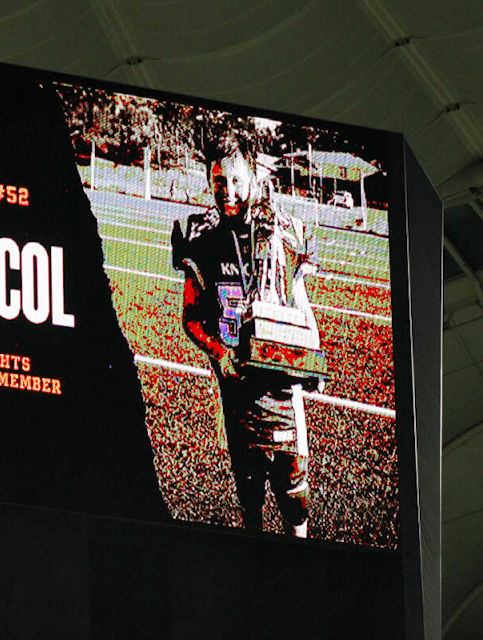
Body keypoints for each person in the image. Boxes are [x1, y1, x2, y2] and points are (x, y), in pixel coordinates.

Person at [171, 129, 320, 537]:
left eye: (236, 179)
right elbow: (190, 317)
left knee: (295, 501)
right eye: (219, 180)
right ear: (208, 180)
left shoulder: (285, 231)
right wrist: (220, 353)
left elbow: (302, 304)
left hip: (281, 387)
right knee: (250, 496)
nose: (228, 190)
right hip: (234, 384)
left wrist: (312, 352)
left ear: (254, 175)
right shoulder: (200, 237)